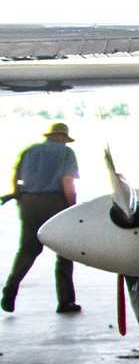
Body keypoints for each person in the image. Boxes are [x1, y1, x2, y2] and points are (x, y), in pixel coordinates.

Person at [4, 122, 81, 314]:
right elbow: (67, 182)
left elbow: (14, 176)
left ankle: (11, 287)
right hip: (54, 203)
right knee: (64, 251)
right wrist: (72, 208)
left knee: (28, 249)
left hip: (28, 201)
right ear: (63, 138)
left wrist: (17, 195)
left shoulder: (29, 150)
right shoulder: (66, 153)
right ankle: (65, 302)